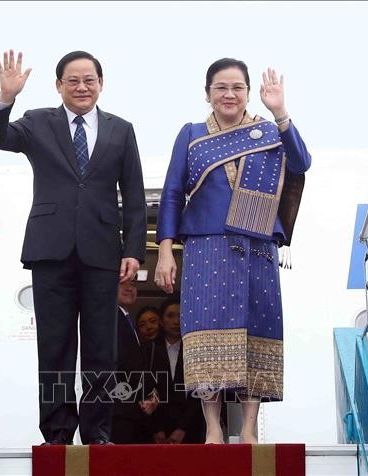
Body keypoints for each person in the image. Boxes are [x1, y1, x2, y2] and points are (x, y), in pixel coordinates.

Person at [0, 50, 147, 445]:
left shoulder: (121, 130)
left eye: (89, 79)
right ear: (59, 85)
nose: (82, 87)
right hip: (50, 250)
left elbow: (135, 197)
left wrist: (134, 251)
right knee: (54, 346)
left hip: (103, 252)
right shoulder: (38, 122)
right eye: (72, 80)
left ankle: (97, 432)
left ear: (101, 84)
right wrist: (6, 99)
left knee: (100, 349)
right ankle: (57, 431)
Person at [154, 58, 311, 444]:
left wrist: (280, 111)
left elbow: (302, 162)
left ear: (248, 91)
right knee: (207, 330)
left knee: (256, 328)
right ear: (207, 93)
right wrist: (164, 250)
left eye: (237, 87)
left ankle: (249, 429)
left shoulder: (267, 131)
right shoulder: (191, 134)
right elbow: (173, 193)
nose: (229, 94)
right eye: (221, 87)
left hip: (256, 243)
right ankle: (212, 427)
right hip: (206, 243)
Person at [147, 298, 205, 444]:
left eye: (180, 316)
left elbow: (200, 391)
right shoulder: (149, 349)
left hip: (190, 428)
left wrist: (182, 428)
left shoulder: (196, 350)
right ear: (161, 320)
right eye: (170, 316)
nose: (176, 321)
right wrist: (156, 429)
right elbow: (145, 390)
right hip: (155, 431)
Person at [111, 279, 157, 444]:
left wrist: (151, 394)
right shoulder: (109, 318)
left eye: (133, 284)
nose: (130, 288)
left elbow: (136, 365)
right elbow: (122, 362)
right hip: (119, 410)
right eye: (123, 283)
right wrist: (145, 393)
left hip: (133, 412)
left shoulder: (125, 318)